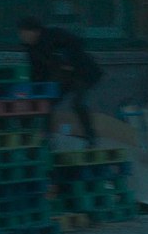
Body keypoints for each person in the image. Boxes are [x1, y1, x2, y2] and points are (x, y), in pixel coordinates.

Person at [17, 16, 103, 148]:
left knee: (78, 103)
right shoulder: (31, 49)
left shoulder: (54, 35)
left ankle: (91, 137)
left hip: (81, 73)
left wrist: (67, 59)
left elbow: (77, 42)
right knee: (47, 103)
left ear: (35, 31)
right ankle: (47, 138)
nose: (23, 37)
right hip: (62, 78)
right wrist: (34, 90)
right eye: (21, 34)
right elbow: (36, 72)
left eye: (24, 33)